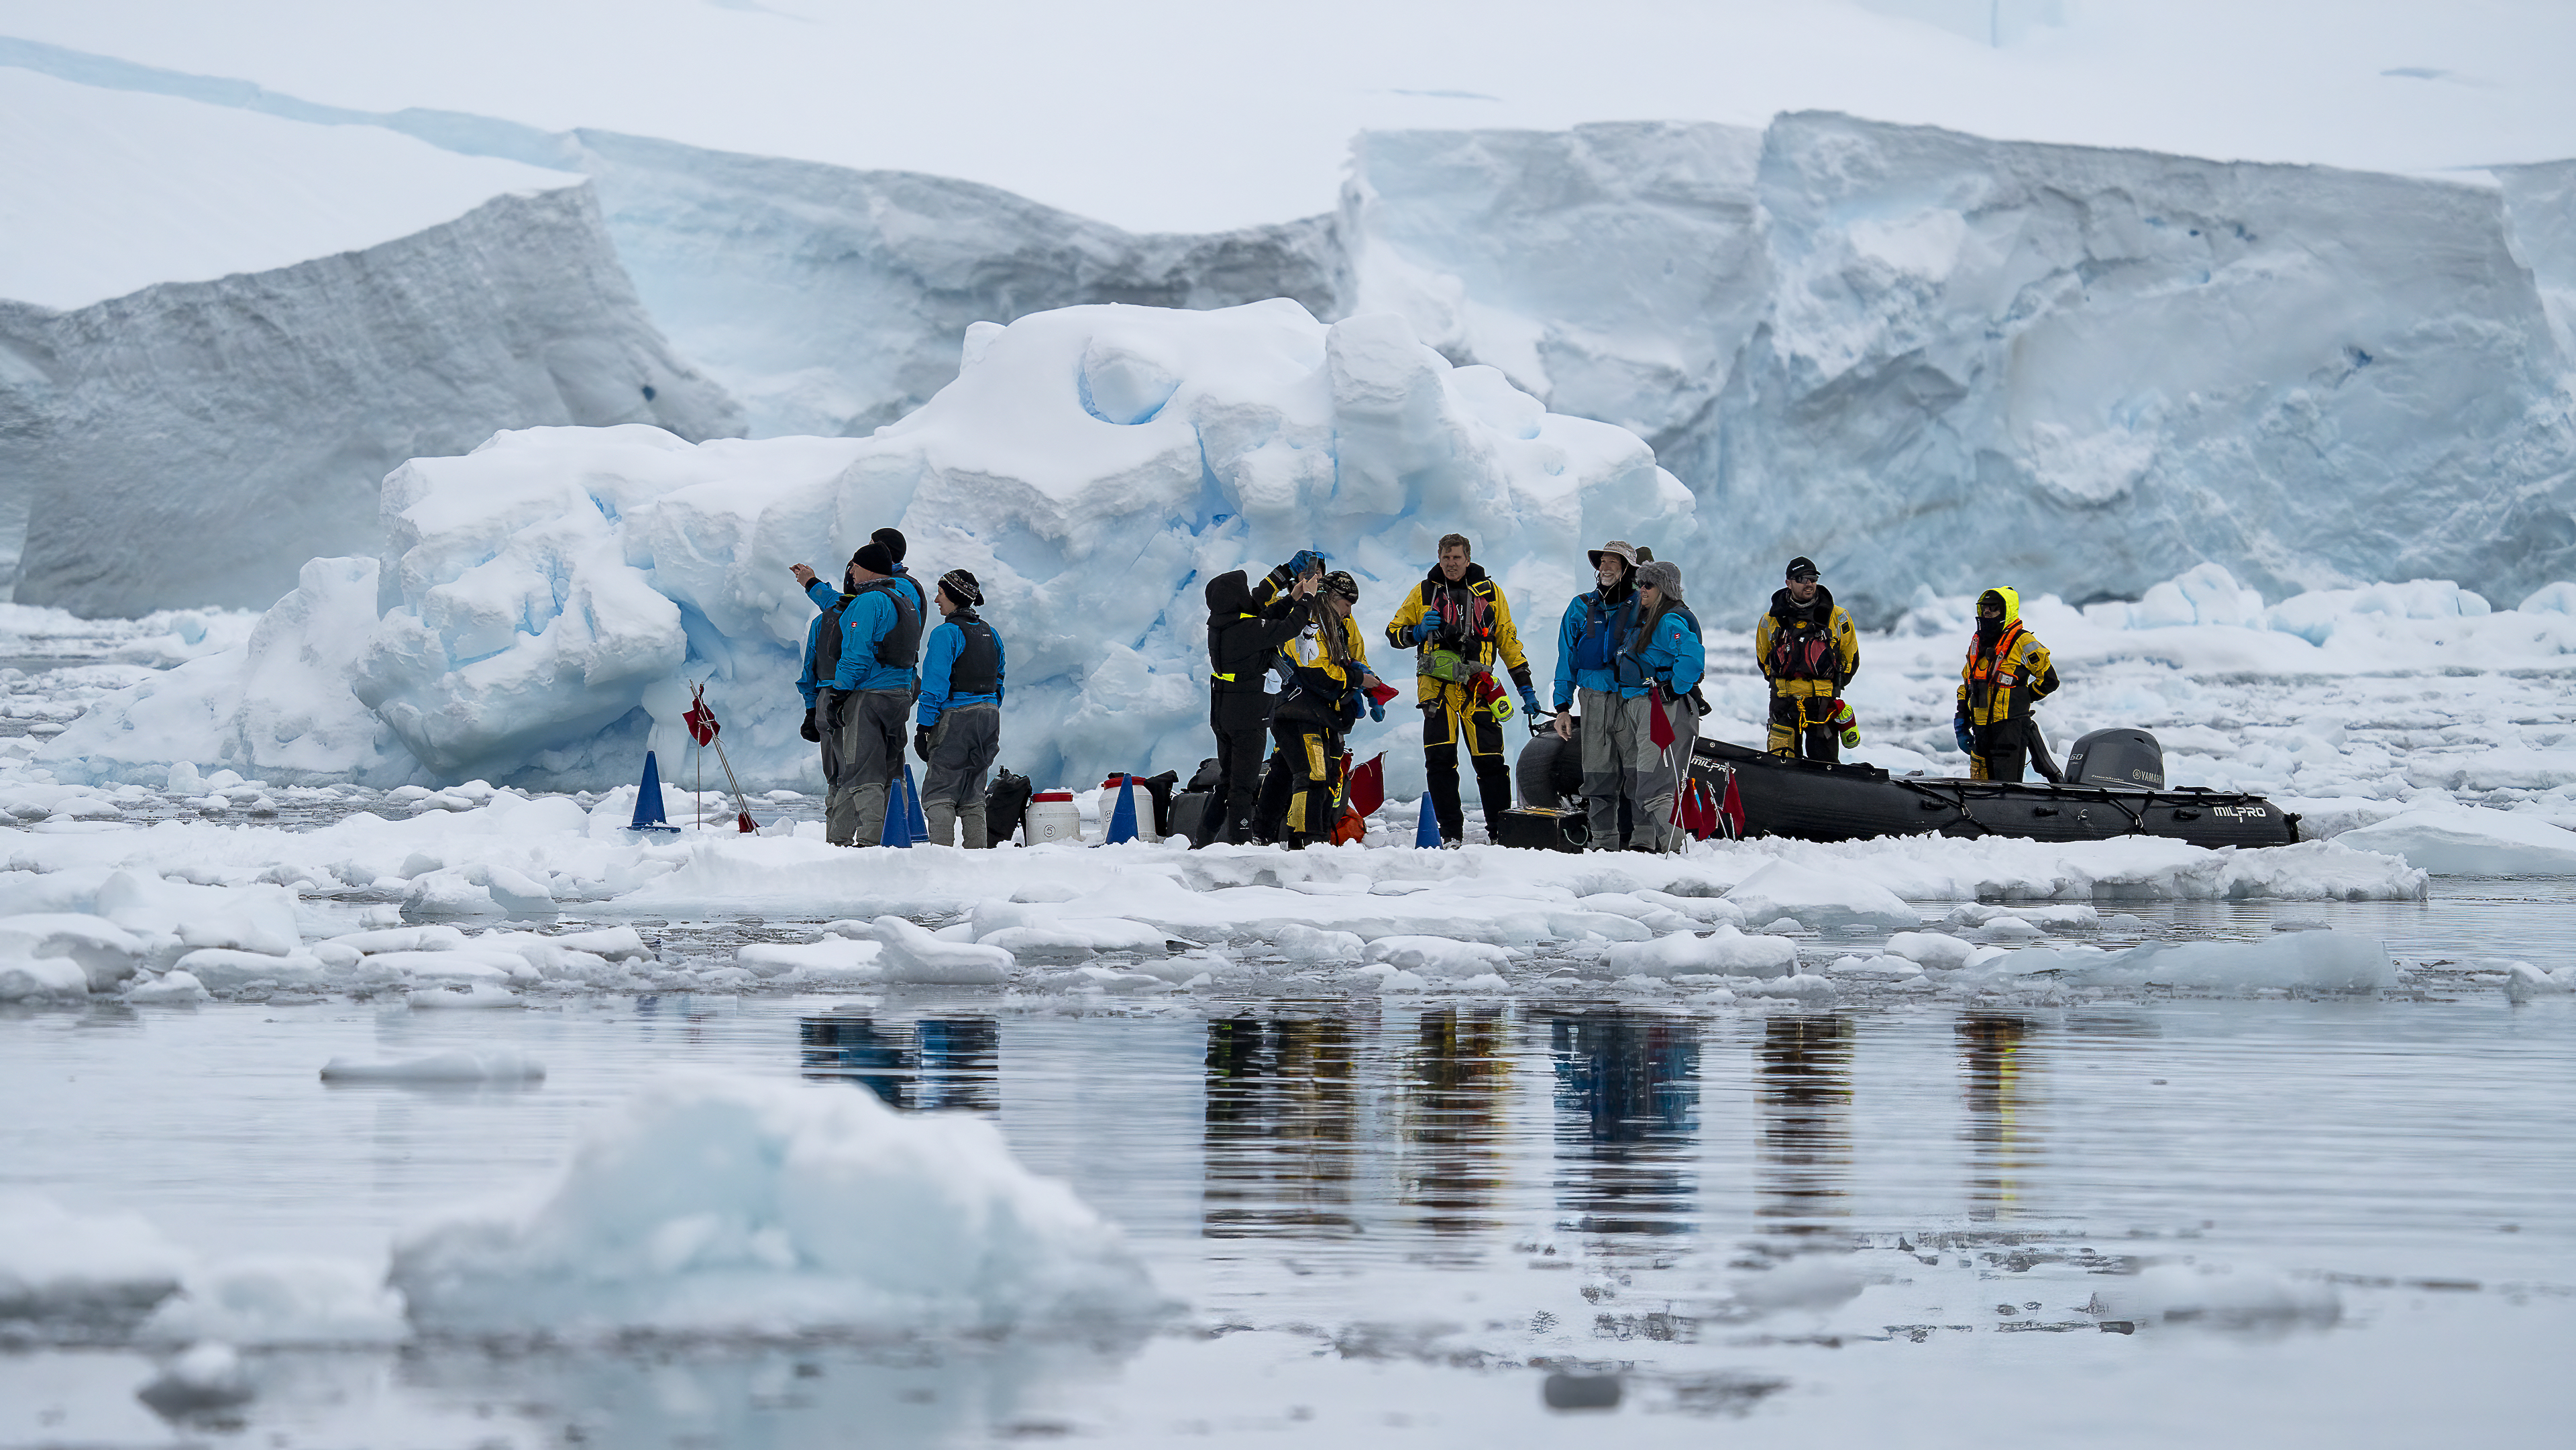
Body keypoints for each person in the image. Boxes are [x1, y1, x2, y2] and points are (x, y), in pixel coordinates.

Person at [1383, 534, 1541, 845]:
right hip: (1437, 691)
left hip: (1478, 689)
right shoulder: (1423, 593)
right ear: (1439, 559)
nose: (1451, 564)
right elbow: (1393, 634)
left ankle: (1500, 833)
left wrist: (1527, 689)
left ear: (1467, 559)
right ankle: (1451, 835)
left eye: (1457, 558)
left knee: (1491, 763)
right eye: (1446, 558)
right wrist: (1416, 631)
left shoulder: (1491, 593)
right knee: (1440, 762)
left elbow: (1507, 640)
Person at [1263, 570, 1383, 849]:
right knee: (1313, 774)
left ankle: (1281, 835)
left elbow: (1356, 658)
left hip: (1325, 713)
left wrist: (1370, 686)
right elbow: (1316, 671)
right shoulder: (1307, 619)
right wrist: (1356, 680)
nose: (1349, 610)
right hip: (1297, 710)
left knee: (1320, 774)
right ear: (1331, 597)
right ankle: (1308, 840)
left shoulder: (1343, 623)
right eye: (1347, 603)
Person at [817, 540, 923, 845]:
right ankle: (893, 835)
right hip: (899, 693)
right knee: (891, 768)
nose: (851, 572)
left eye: (855, 566)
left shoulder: (867, 602)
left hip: (869, 694)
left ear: (866, 569)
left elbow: (855, 655)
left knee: (861, 769)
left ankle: (870, 841)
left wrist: (838, 694)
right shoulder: (904, 598)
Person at [1201, 564, 1316, 846]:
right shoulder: (1247, 630)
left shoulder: (1223, 624)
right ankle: (1240, 844)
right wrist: (1308, 599)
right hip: (1247, 715)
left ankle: (1202, 841)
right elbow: (1288, 627)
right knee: (1243, 786)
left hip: (1224, 712)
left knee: (1227, 782)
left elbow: (1264, 619)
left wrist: (1291, 598)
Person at [1552, 539, 1641, 848]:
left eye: (1612, 562)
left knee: (1638, 772)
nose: (1604, 567)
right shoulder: (1580, 606)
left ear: (1627, 569)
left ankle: (1643, 840)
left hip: (1631, 699)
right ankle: (1604, 841)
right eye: (1602, 562)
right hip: (1592, 698)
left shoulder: (1642, 606)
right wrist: (1562, 705)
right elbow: (1567, 657)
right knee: (1597, 775)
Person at [1614, 560, 1706, 852]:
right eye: (1640, 583)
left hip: (1662, 709)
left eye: (1649, 584)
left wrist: (1673, 688)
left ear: (1664, 588)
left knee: (1655, 786)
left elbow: (1692, 658)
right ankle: (1653, 847)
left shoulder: (1669, 621)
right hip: (1642, 705)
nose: (1642, 589)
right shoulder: (1649, 617)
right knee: (1648, 782)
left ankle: (1677, 852)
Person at [914, 568, 1005, 847]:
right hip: (989, 716)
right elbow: (999, 677)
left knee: (941, 789)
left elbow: (935, 685)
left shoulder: (946, 634)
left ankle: (942, 858)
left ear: (953, 597)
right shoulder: (991, 633)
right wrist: (988, 707)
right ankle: (977, 857)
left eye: (941, 594)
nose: (937, 599)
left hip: (956, 716)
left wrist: (924, 726)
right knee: (974, 790)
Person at [1755, 556, 1860, 763]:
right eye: (1802, 579)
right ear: (1788, 583)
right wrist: (1784, 686)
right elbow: (1763, 658)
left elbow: (1850, 657)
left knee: (1824, 764)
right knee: (1781, 762)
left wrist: (1830, 687)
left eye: (1813, 578)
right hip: (1784, 702)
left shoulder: (1837, 617)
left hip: (1823, 703)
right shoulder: (1771, 620)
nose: (1809, 583)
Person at [1954, 586, 2060, 782]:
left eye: (1993, 608)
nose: (1987, 612)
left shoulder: (2022, 642)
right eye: (1984, 608)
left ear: (2005, 611)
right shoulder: (1977, 643)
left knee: (2005, 793)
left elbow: (2049, 681)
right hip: (1980, 731)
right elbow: (1967, 683)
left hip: (2008, 730)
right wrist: (1961, 718)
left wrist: (2023, 698)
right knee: (1980, 791)